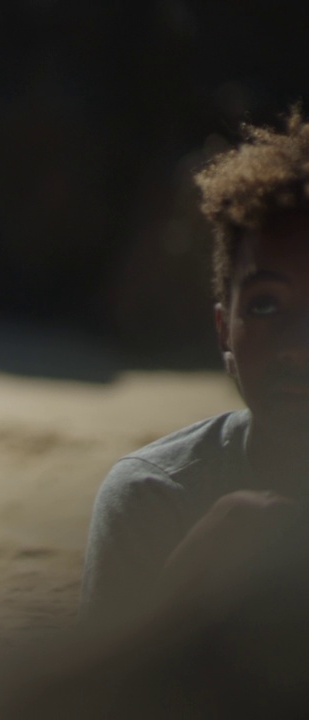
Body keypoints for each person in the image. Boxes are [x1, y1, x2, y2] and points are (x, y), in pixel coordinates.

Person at [80, 106, 309, 629]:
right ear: (224, 331)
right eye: (266, 305)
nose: (299, 347)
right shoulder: (157, 501)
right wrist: (185, 588)